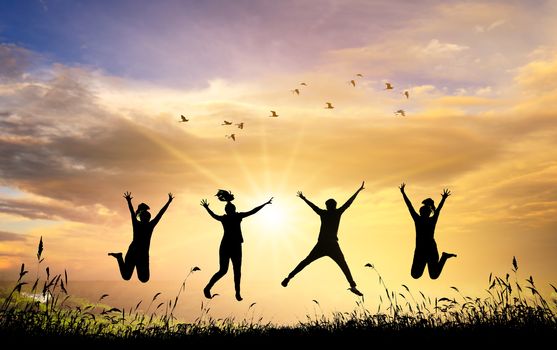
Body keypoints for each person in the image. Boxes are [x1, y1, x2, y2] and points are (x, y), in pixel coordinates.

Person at [281, 182, 365, 297]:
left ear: (327, 206)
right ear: (335, 205)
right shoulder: (337, 213)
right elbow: (348, 203)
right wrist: (358, 191)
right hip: (332, 245)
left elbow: (313, 207)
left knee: (306, 261)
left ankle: (289, 277)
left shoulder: (323, 213)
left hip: (322, 244)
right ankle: (353, 286)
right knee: (343, 265)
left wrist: (303, 198)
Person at [201, 195, 273, 301]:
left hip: (229, 245)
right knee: (232, 271)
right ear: (233, 210)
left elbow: (214, 215)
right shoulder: (235, 217)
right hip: (232, 246)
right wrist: (265, 204)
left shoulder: (227, 218)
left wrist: (207, 208)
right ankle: (229, 291)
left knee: (226, 270)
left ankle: (232, 292)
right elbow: (252, 211)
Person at [108, 191, 174, 283]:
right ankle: (119, 257)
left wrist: (129, 201)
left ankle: (119, 257)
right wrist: (169, 202)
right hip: (137, 254)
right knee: (137, 278)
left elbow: (133, 213)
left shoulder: (141, 224)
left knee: (138, 278)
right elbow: (160, 214)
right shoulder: (148, 225)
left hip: (138, 254)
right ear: (147, 218)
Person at [399, 183, 456, 279]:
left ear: (422, 212)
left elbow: (410, 206)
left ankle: (444, 257)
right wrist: (443, 199)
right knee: (416, 275)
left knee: (427, 275)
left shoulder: (420, 220)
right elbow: (437, 210)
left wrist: (403, 193)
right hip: (421, 251)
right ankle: (444, 257)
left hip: (429, 251)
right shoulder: (426, 220)